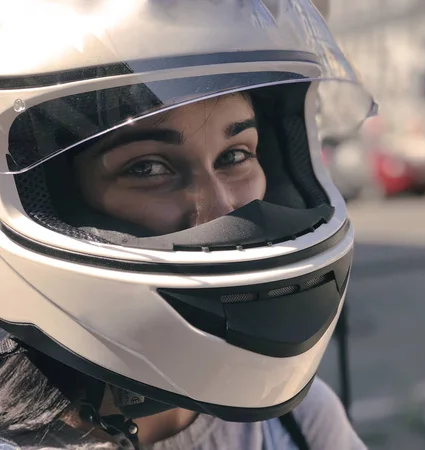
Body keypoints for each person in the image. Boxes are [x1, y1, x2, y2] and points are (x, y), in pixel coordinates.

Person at [0, 1, 376, 449]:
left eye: (236, 155)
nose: (223, 210)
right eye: (147, 168)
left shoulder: (304, 422)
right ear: (58, 200)